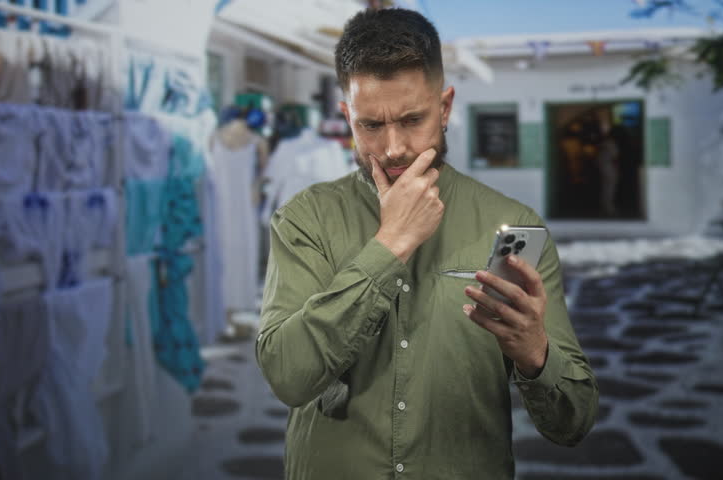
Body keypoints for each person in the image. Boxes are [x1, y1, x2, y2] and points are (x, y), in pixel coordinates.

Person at [255, 8, 598, 479]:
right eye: (370, 125)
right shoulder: (305, 220)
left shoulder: (511, 227)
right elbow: (288, 375)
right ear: (346, 116)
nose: (393, 147)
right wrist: (390, 245)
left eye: (413, 119)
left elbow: (573, 422)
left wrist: (535, 354)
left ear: (445, 107)